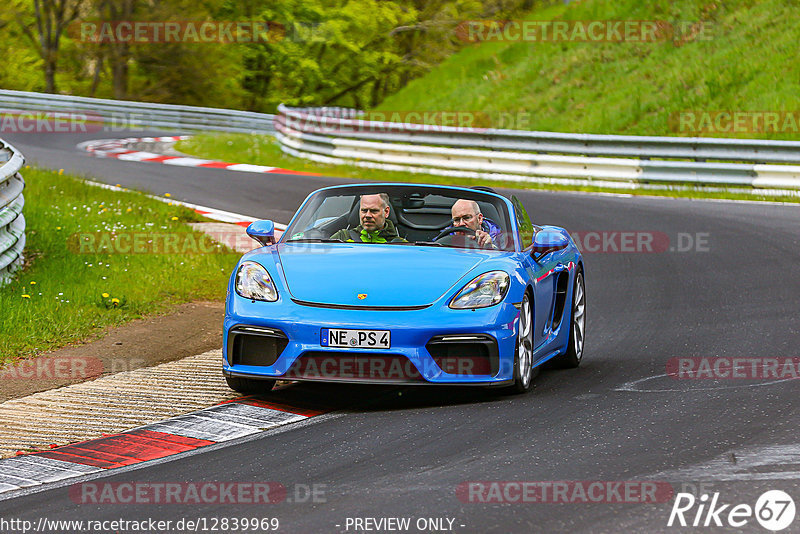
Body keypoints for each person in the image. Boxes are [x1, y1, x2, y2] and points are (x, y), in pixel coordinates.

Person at [330, 193, 406, 243]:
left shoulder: (401, 244)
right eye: (364, 210)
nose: (368, 215)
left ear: (386, 212)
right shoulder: (342, 237)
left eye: (374, 211)